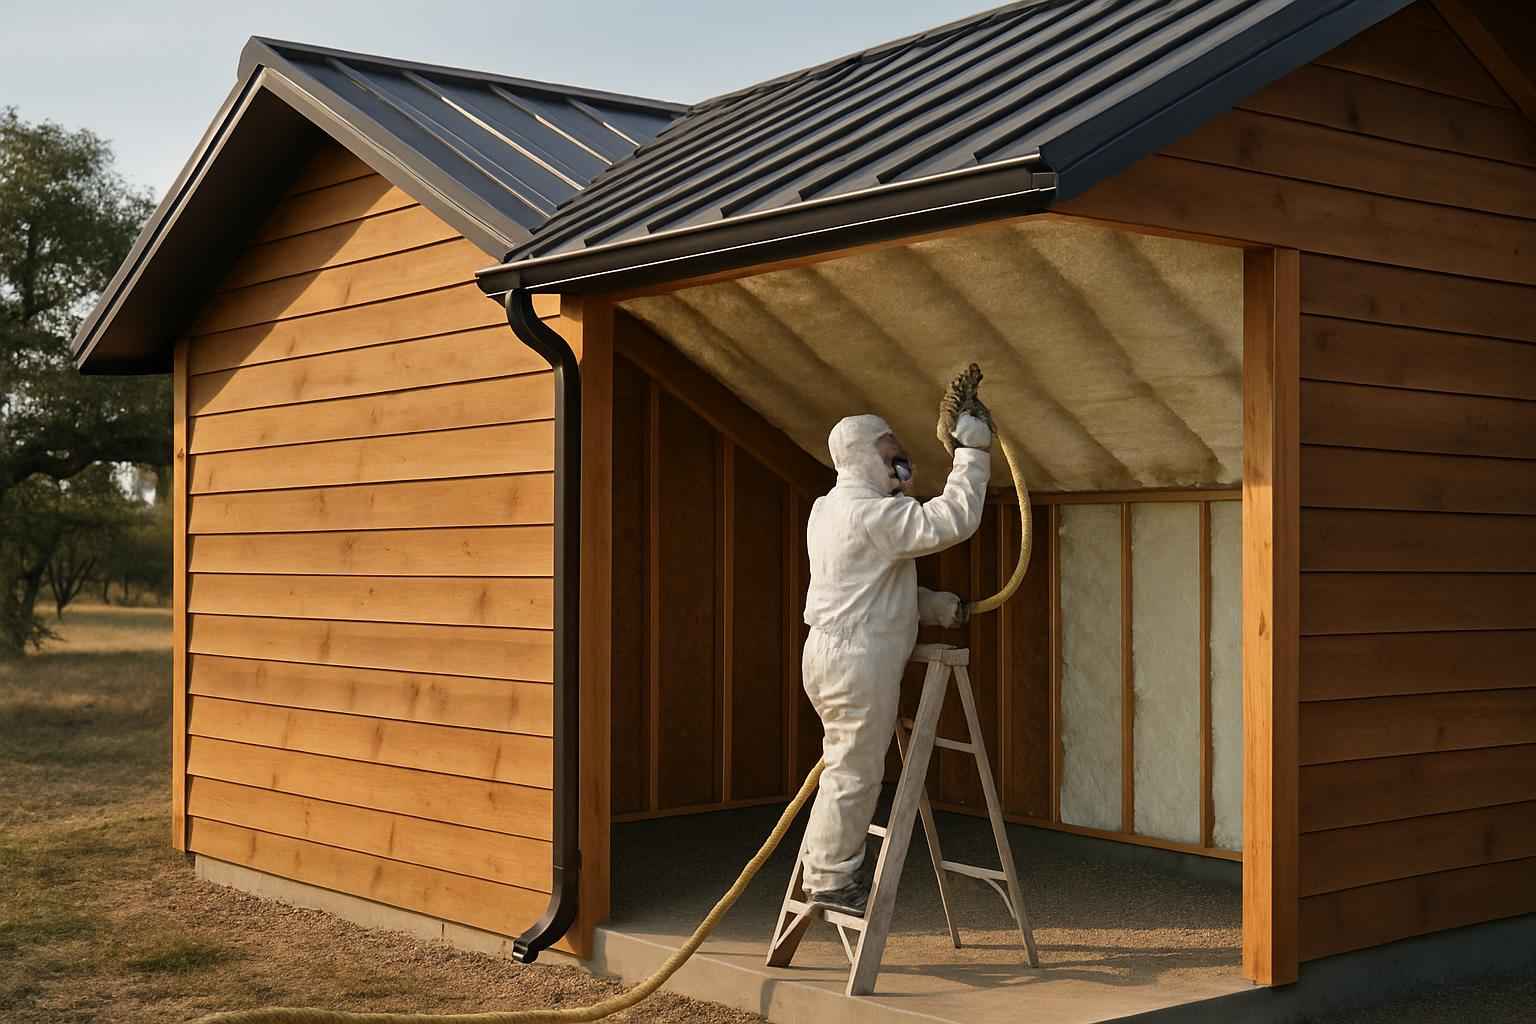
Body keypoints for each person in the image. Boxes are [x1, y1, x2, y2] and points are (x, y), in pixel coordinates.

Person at [799, 410, 992, 915]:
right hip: (856, 661)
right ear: (863, 455)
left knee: (846, 764)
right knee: (854, 773)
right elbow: (953, 520)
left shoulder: (828, 509)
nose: (900, 459)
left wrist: (934, 608)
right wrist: (972, 452)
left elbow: (866, 584)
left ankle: (825, 865)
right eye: (890, 451)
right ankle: (829, 881)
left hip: (830, 652)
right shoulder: (873, 514)